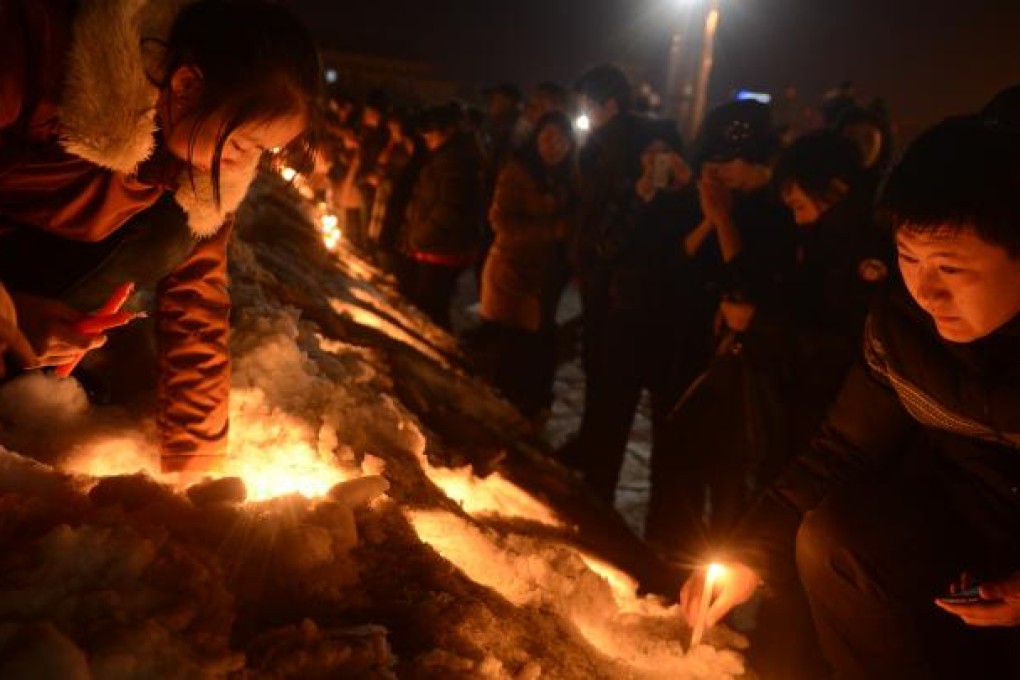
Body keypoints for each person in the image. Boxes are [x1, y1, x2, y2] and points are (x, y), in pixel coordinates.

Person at [680, 113, 1020, 679]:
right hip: (962, 548)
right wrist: (749, 553)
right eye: (909, 260)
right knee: (832, 537)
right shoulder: (901, 331)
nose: (926, 290)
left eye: (951, 267)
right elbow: (841, 450)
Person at [0, 0, 319, 474]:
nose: (242, 164)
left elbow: (197, 303)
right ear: (187, 84)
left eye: (262, 152)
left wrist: (197, 463)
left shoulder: (200, 182)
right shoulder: (41, 50)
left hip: (23, 298)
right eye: (239, 142)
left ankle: (20, 374)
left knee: (173, 232)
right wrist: (7, 311)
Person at [560, 64, 698, 504]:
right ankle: (596, 493)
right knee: (608, 404)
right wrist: (637, 196)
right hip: (616, 304)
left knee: (644, 415)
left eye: (664, 153)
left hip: (658, 312)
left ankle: (649, 517)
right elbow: (601, 240)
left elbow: (687, 244)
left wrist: (686, 186)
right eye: (650, 153)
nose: (655, 160)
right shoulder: (609, 168)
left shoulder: (682, 191)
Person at [480, 111, 579, 422]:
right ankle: (501, 416)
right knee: (513, 347)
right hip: (514, 272)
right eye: (548, 138)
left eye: (562, 140)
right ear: (536, 139)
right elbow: (500, 221)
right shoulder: (518, 172)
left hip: (546, 278)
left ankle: (529, 413)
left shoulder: (568, 176)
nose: (555, 146)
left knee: (538, 347)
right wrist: (552, 230)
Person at [398, 103, 484, 329]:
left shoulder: (455, 161)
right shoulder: (445, 156)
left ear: (447, 131)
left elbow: (448, 209)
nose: (426, 138)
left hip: (442, 249)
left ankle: (439, 356)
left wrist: (419, 238)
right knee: (430, 306)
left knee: (432, 308)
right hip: (435, 247)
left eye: (430, 132)